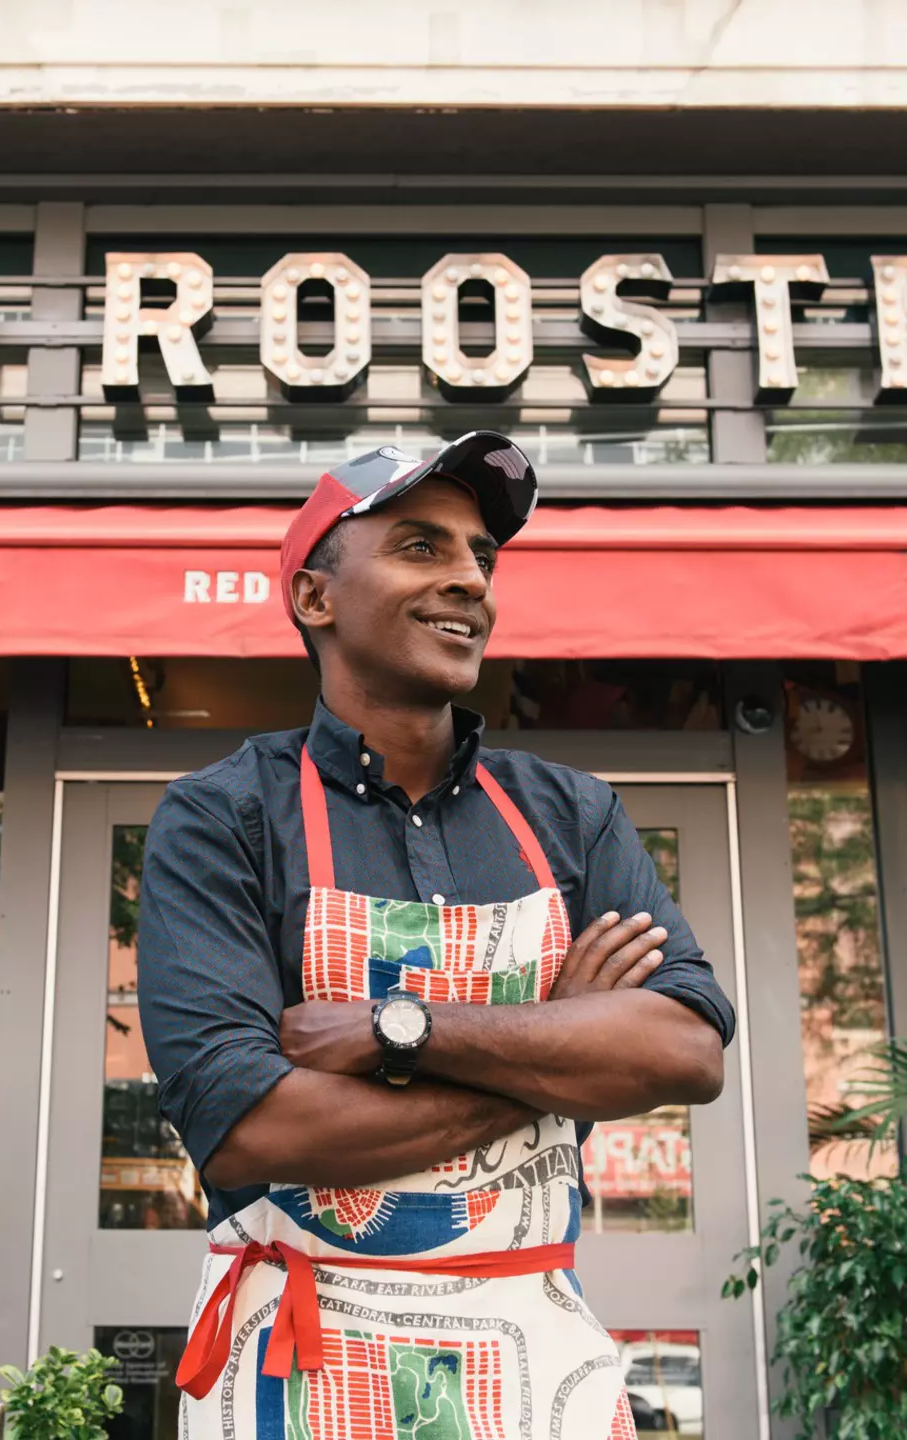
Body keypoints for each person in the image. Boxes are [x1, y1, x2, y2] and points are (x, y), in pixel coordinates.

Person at [137, 432, 736, 1439]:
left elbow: (684, 1050)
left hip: (532, 1362)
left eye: (482, 558)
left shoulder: (571, 817)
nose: (469, 580)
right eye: (421, 547)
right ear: (317, 598)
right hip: (301, 1362)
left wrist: (396, 1031)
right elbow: (252, 1129)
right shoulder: (223, 817)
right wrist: (556, 1047)